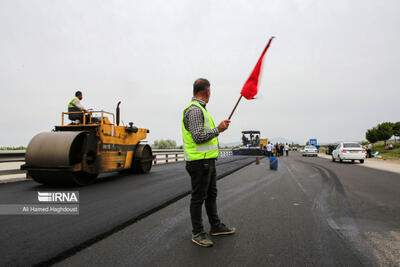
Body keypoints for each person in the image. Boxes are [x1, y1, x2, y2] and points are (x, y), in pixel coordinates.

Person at [182, 78, 236, 248]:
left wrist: (217, 129)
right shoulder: (195, 111)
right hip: (200, 163)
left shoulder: (201, 110)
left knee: (211, 194)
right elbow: (198, 137)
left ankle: (215, 226)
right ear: (206, 91)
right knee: (198, 197)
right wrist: (218, 129)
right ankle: (197, 233)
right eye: (210, 91)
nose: (210, 94)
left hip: (207, 161)